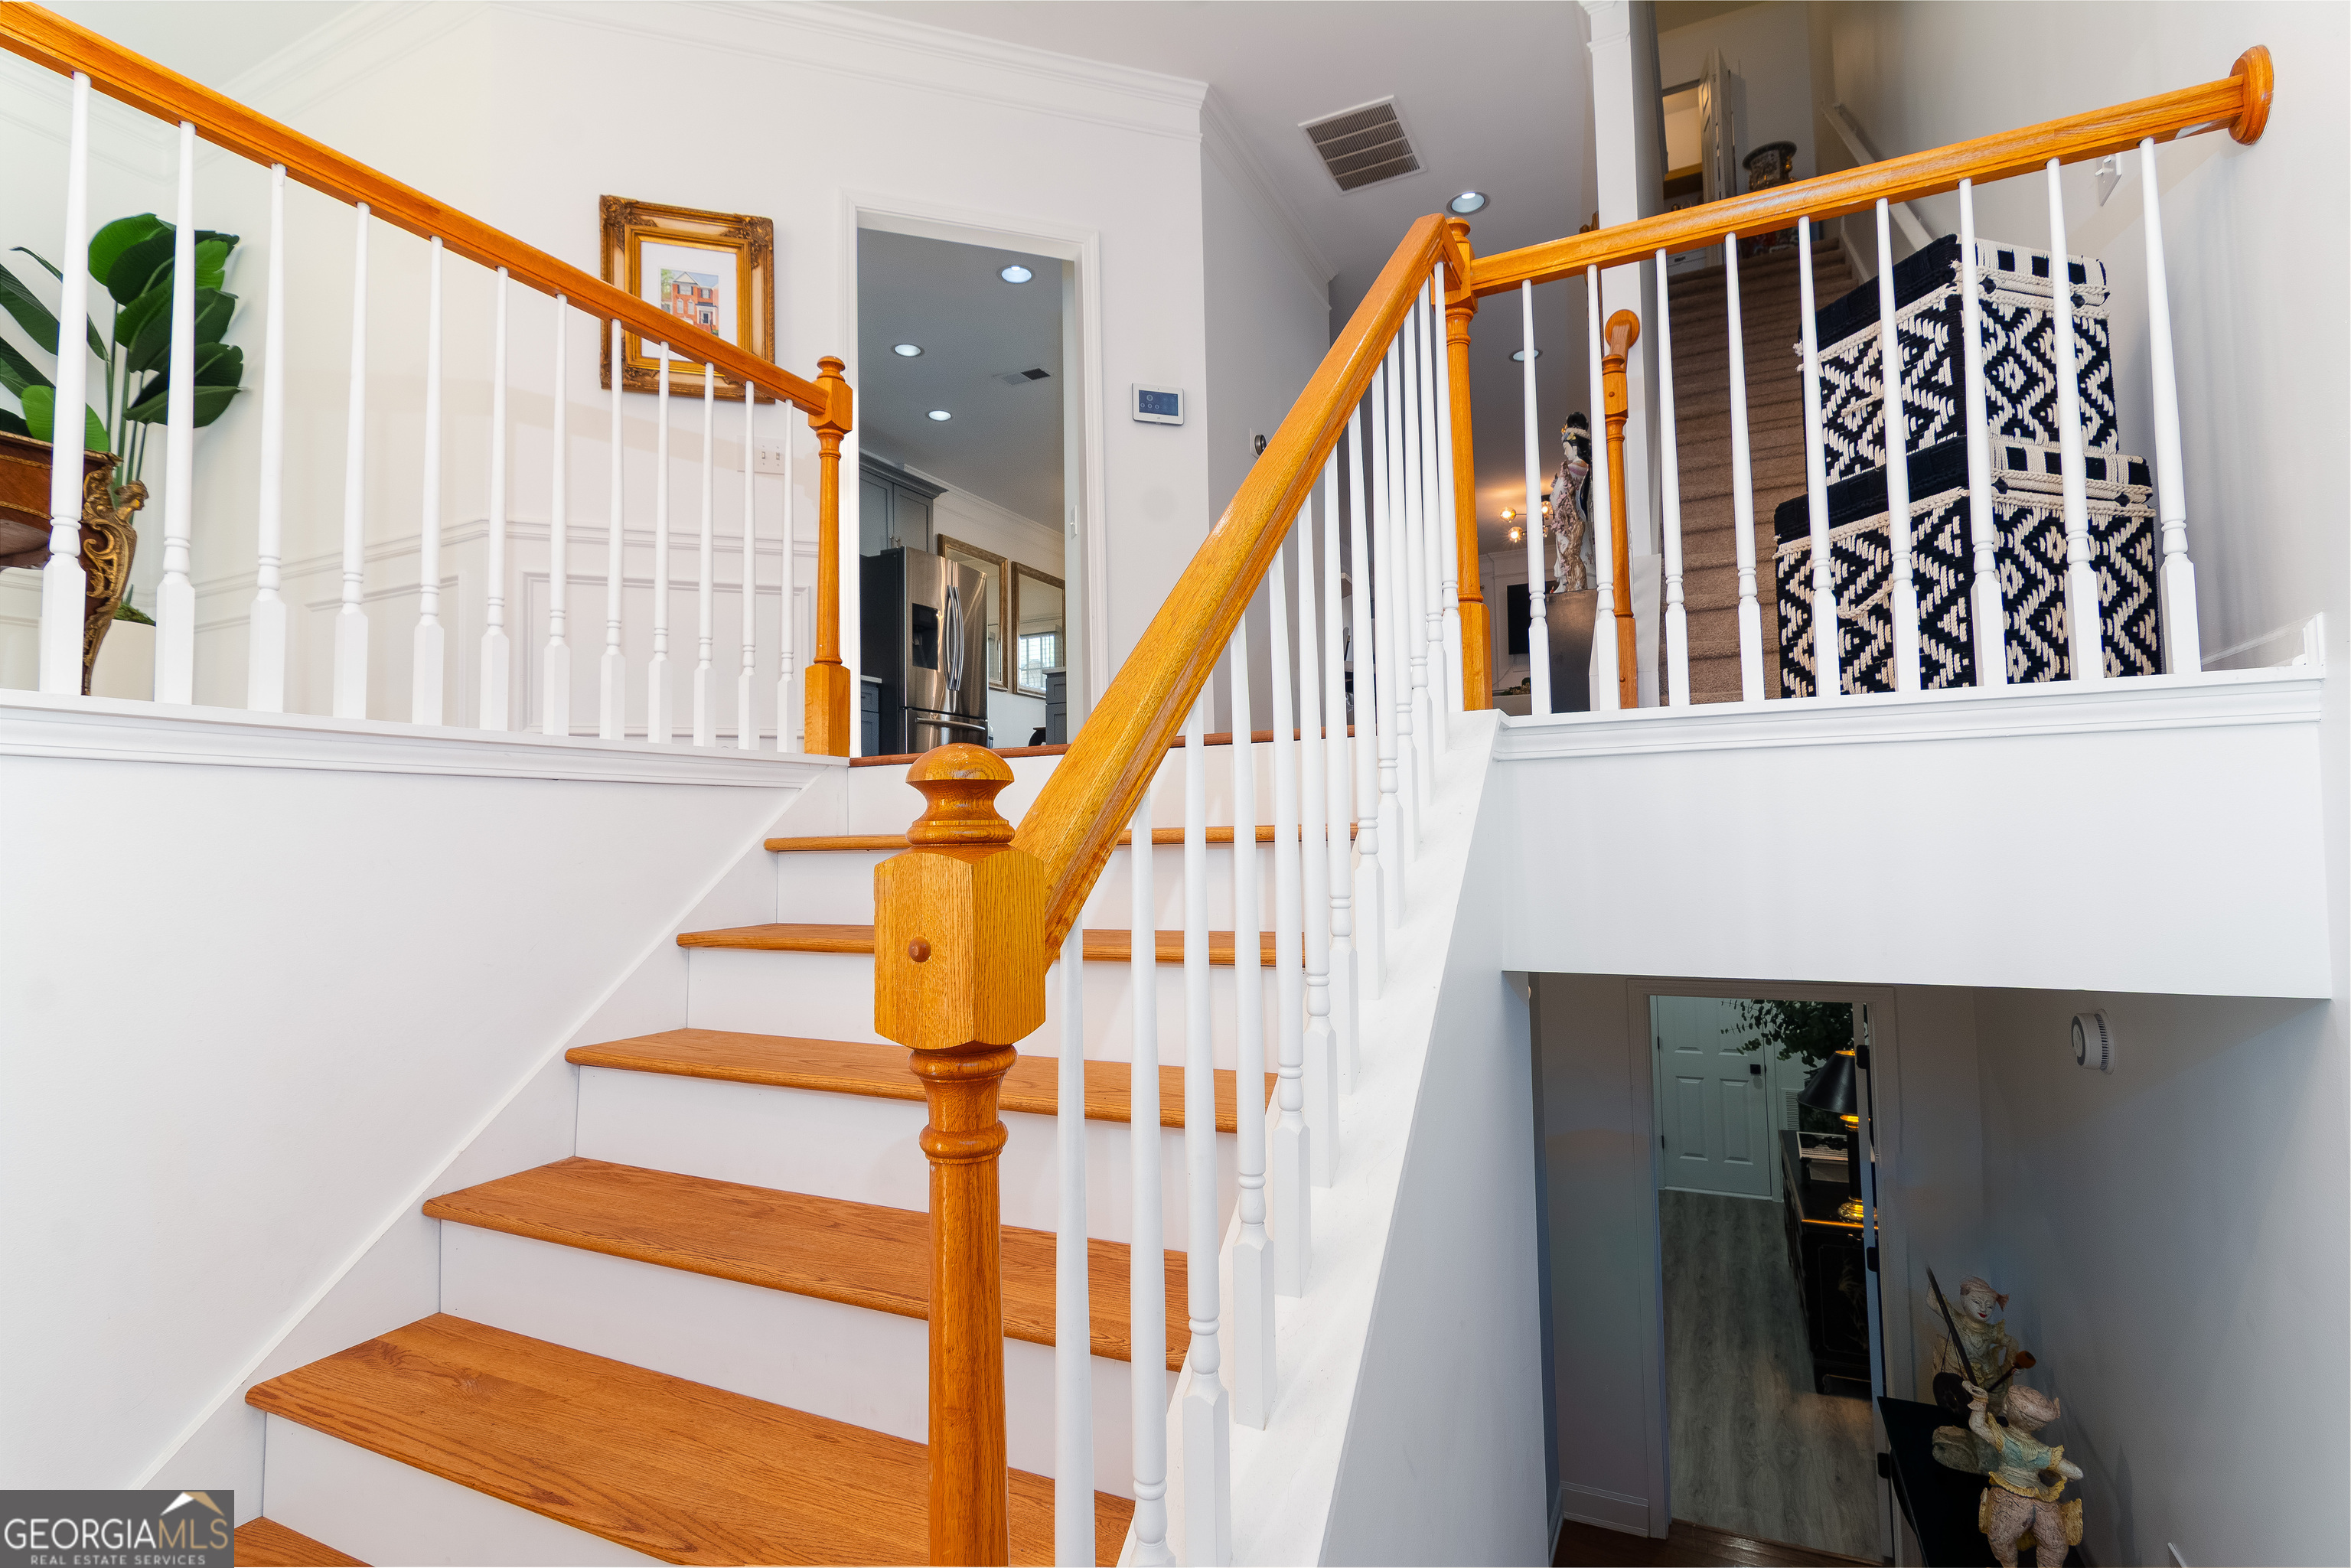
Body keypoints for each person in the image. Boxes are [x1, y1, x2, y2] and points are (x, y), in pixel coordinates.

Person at [1966, 1381, 2084, 1568]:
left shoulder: (2003, 1437)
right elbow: (2077, 1473)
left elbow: (1976, 1425)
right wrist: (2051, 1469)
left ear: (2008, 1409)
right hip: (2042, 1501)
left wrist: (1981, 1401)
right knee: (2056, 1547)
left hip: (2008, 1494)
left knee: (2001, 1542)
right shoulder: (2044, 1451)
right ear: (2039, 1425)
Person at [1549, 414, 1593, 591]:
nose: (1565, 453)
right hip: (1575, 522)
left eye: (1566, 447)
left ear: (1575, 447)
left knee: (1571, 558)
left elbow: (1557, 495)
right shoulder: (1586, 468)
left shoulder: (1574, 468)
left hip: (1571, 523)